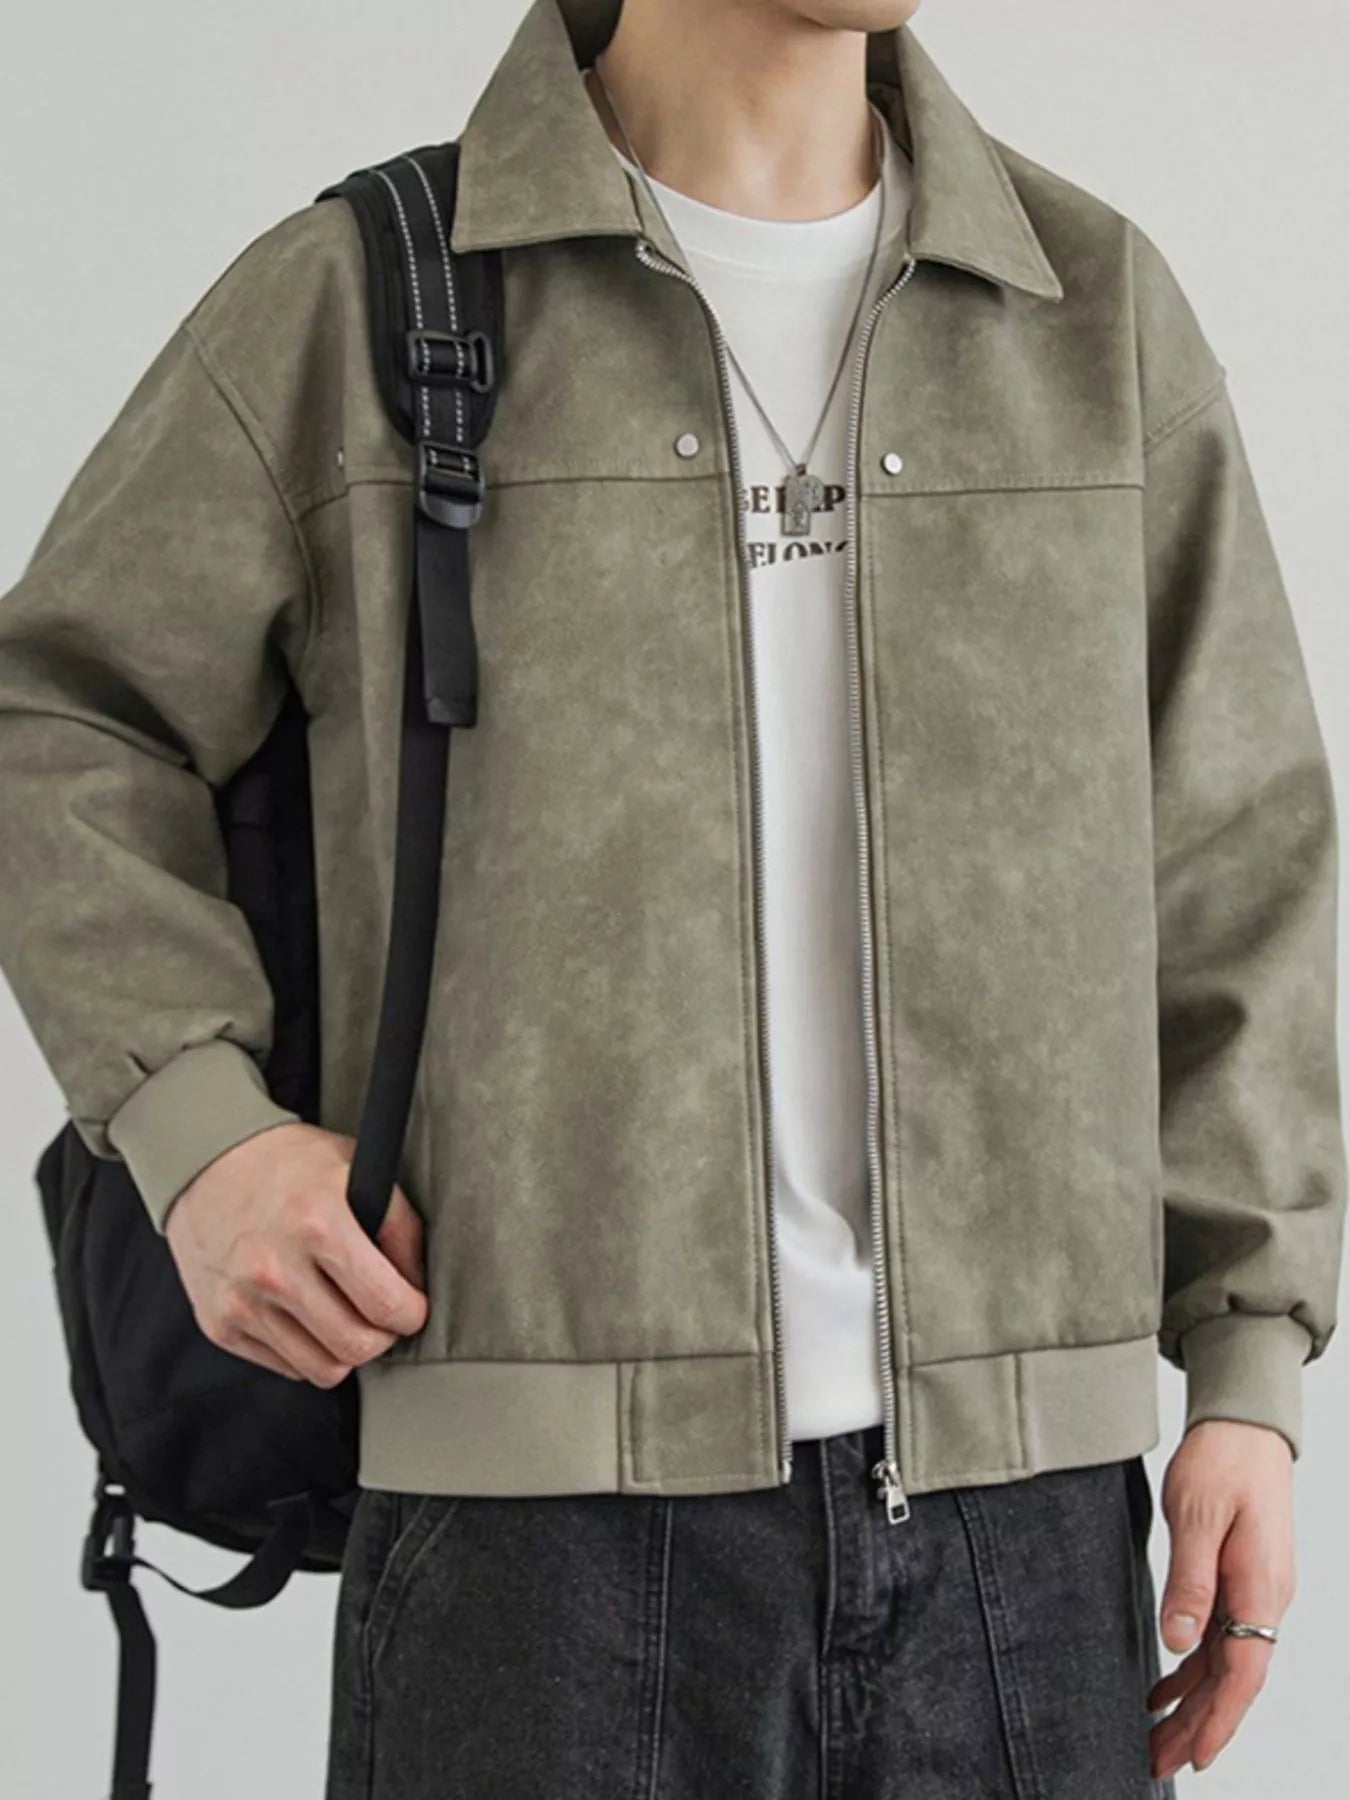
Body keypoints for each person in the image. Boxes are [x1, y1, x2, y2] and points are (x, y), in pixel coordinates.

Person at [0, 0, 1342, 1793]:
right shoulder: (363, 303)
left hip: (1022, 1547)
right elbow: (61, 715)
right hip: (533, 1559)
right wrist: (201, 1131)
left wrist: (1246, 1370)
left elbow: (1235, 857)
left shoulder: (1085, 310)